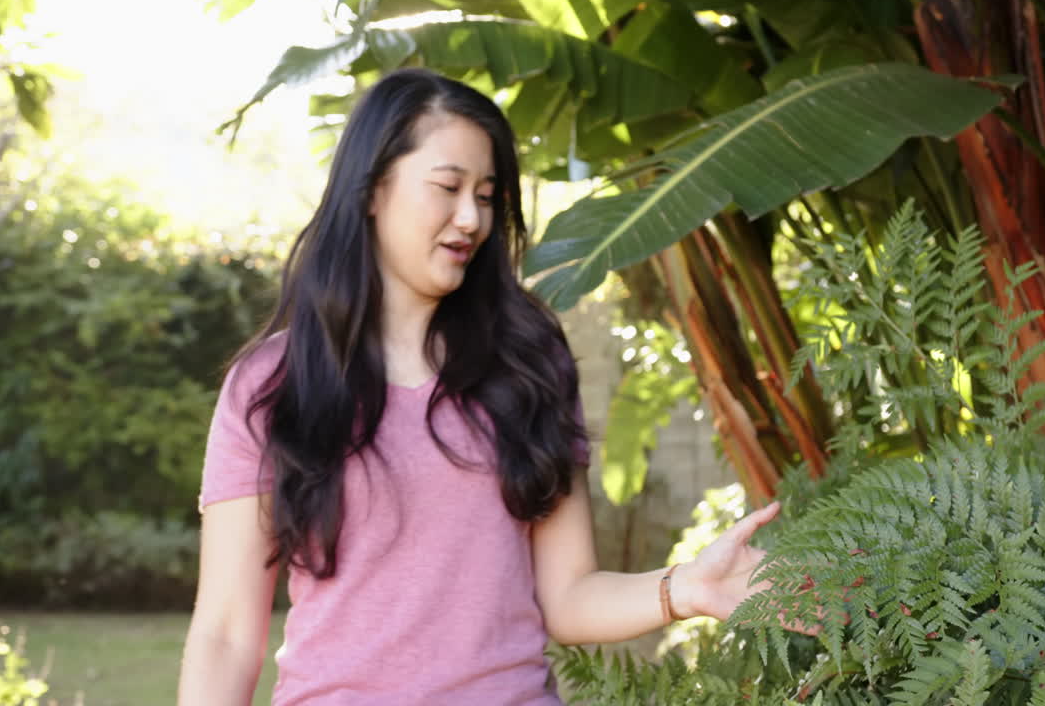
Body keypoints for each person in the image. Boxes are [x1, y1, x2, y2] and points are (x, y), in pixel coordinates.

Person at [176, 68, 781, 705]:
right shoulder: (272, 385)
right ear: (372, 189)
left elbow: (567, 596)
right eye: (448, 187)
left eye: (487, 195)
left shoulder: (527, 364)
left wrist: (686, 588)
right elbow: (225, 633)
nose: (471, 217)